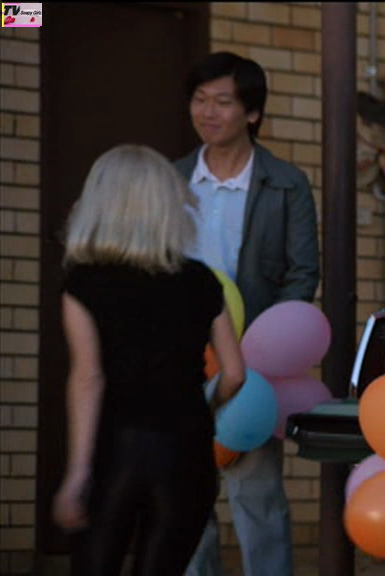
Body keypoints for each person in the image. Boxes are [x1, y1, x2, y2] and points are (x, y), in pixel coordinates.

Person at [52, 144, 246, 575]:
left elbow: (88, 378)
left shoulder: (84, 282)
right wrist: (206, 409)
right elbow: (234, 373)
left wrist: (77, 474)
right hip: (187, 446)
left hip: (116, 447)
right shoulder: (201, 280)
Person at [176, 52, 321, 576]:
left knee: (257, 497)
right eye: (199, 100)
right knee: (185, 499)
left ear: (252, 113)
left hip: (252, 363)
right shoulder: (171, 179)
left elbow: (302, 272)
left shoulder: (286, 183)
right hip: (180, 359)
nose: (206, 112)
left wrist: (265, 346)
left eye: (222, 102)